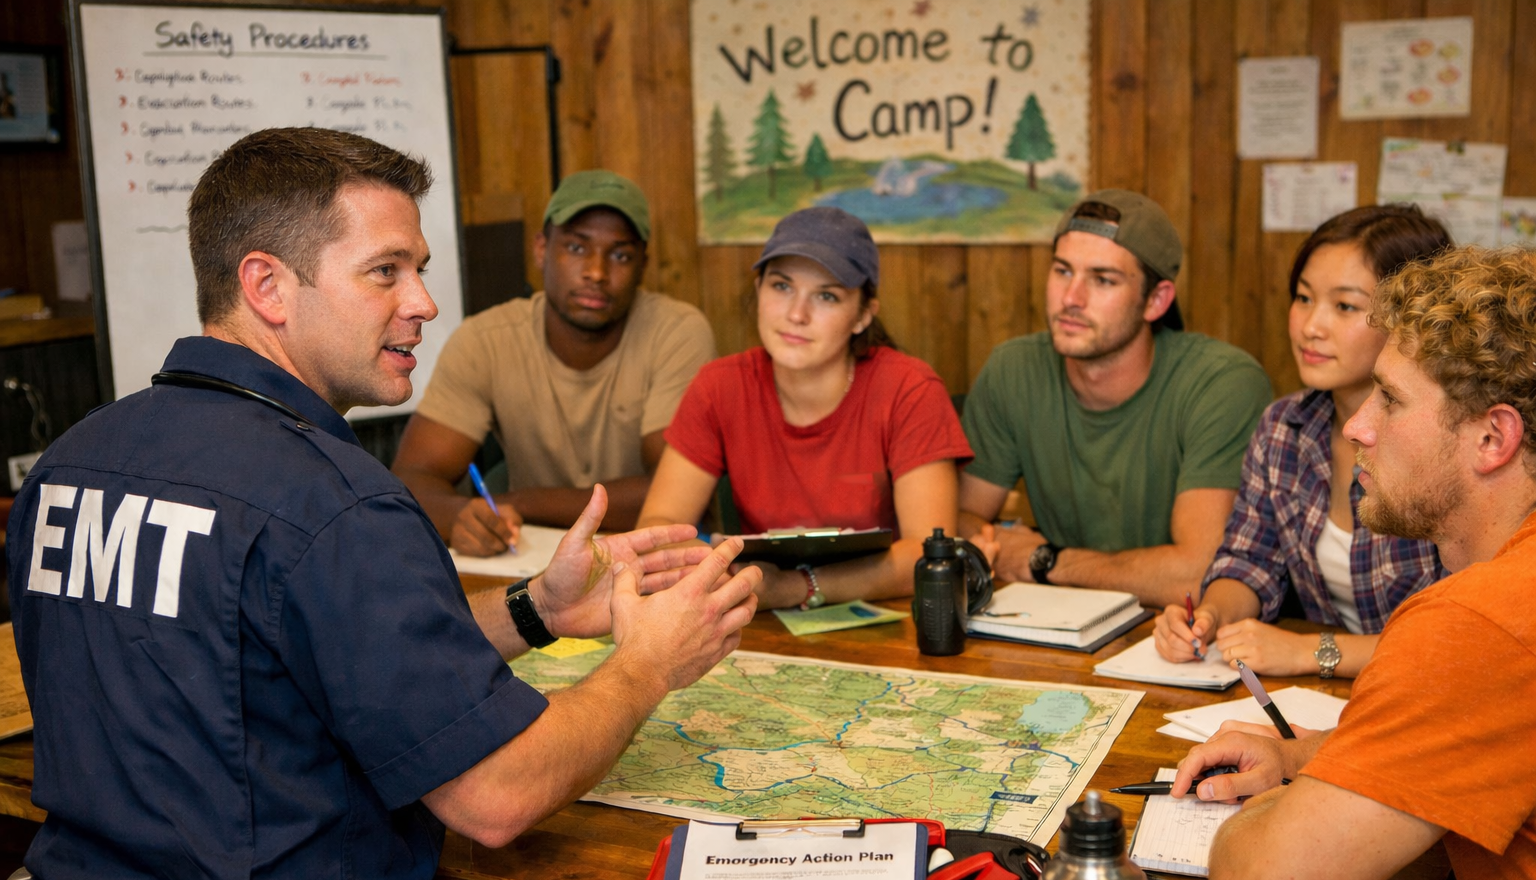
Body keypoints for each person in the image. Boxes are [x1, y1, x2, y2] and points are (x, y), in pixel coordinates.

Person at [7, 127, 760, 880]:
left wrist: (535, 609)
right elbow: (494, 797)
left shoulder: (74, 459)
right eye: (386, 272)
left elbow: (294, 654)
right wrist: (650, 663)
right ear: (267, 286)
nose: (425, 303)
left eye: (421, 269)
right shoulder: (336, 503)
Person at [1171, 246, 1536, 880]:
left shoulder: (1478, 620)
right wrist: (1312, 757)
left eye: (1392, 400)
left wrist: (1264, 817)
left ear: (1492, 439)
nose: (1360, 427)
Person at [1153, 206, 1449, 678]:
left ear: (1411, 321)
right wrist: (1210, 617)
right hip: (1325, 702)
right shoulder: (1284, 427)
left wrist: (1315, 652)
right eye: (1304, 298)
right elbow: (1249, 560)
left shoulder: (1450, 443)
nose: (1311, 326)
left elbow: (1462, 636)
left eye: (1345, 306)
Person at [636, 206, 972, 610]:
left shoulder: (910, 389)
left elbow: (928, 553)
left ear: (864, 315)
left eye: (826, 296)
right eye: (781, 286)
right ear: (758, 288)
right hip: (756, 619)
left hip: (889, 618)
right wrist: (715, 570)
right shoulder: (718, 385)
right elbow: (658, 527)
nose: (797, 314)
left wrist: (794, 587)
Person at [959, 189, 1273, 609]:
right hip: (1063, 623)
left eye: (1103, 279)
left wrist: (1046, 562)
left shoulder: (1222, 382)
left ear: (1157, 300)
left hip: (1182, 634)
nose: (1071, 298)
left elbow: (1201, 573)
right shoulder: (1012, 368)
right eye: (1062, 271)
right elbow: (956, 523)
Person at [391, 169, 716, 553]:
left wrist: (520, 503)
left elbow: (672, 494)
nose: (596, 272)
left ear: (643, 263)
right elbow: (413, 476)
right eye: (577, 248)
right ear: (542, 249)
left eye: (621, 254)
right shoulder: (485, 340)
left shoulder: (677, 333)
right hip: (529, 562)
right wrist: (461, 515)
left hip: (653, 560)